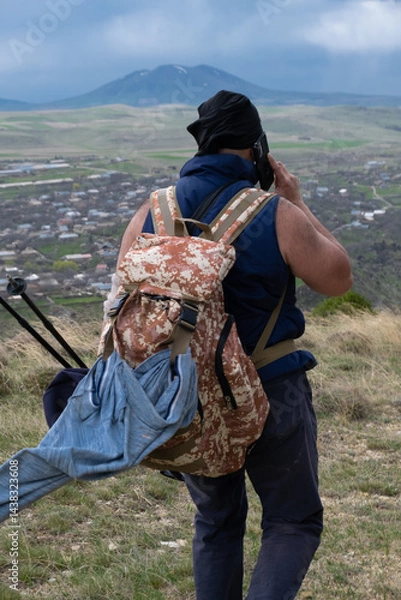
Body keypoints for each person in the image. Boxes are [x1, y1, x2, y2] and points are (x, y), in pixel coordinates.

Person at [114, 90, 353, 600]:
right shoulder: (275, 213)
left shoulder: (151, 211)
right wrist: (296, 201)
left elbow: (122, 301)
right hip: (271, 389)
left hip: (186, 395)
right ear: (256, 149)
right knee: (292, 521)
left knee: (216, 521)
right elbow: (337, 278)